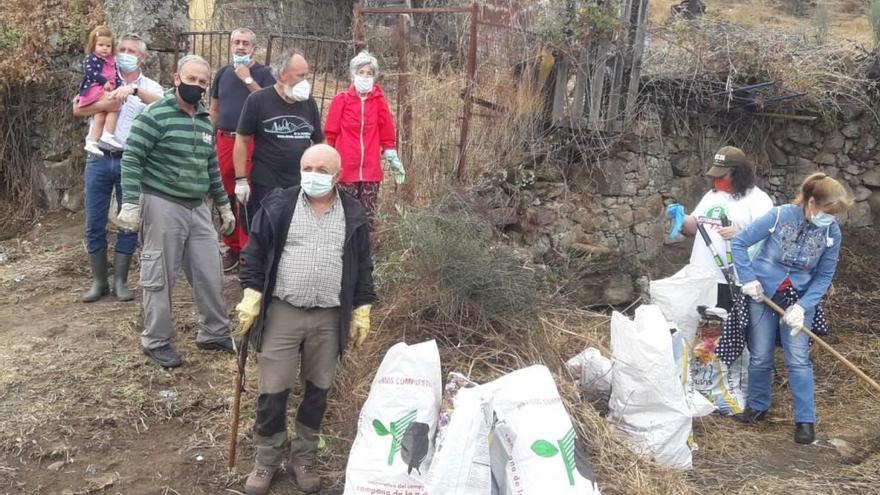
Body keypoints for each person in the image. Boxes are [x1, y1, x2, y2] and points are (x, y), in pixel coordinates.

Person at [233, 144, 376, 494]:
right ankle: (266, 460)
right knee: (272, 390)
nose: (313, 175)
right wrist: (252, 295)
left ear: (338, 176)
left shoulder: (354, 214)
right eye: (308, 167)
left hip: (329, 316)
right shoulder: (278, 206)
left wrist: (361, 308)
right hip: (283, 310)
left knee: (318, 390)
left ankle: (305, 458)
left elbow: (363, 267)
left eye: (322, 170)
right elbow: (255, 253)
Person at [117, 55, 237, 369]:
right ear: (176, 78)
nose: (196, 86)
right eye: (191, 79)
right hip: (162, 203)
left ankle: (214, 331)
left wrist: (223, 206)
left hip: (198, 206)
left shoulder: (203, 119)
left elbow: (211, 166)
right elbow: (132, 159)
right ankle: (156, 340)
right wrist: (130, 203)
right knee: (160, 274)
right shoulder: (155, 115)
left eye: (202, 82)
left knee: (210, 271)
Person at [731, 173, 853, 445]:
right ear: (811, 203)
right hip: (762, 295)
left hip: (799, 299)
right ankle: (757, 407)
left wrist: (803, 306)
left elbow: (824, 276)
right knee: (760, 355)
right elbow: (739, 243)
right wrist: (748, 278)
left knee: (798, 360)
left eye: (834, 216)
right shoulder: (779, 216)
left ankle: (805, 421)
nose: (830, 220)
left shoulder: (832, 232)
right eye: (826, 213)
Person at [73, 33, 164, 303]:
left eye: (131, 51)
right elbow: (78, 109)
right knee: (94, 221)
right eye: (121, 49)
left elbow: (164, 105)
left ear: (143, 57)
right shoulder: (102, 76)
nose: (125, 54)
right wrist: (109, 101)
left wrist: (134, 91)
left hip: (131, 160)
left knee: (129, 220)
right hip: (99, 156)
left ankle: (121, 281)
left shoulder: (151, 86)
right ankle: (99, 281)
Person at [669, 146, 773, 310]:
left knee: (729, 332)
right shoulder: (713, 195)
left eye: (722, 175)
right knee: (705, 330)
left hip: (734, 280)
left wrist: (741, 234)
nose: (717, 180)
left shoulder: (758, 200)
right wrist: (682, 218)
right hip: (702, 277)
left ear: (738, 173)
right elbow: (696, 226)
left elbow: (766, 238)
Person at [233, 50, 324, 229]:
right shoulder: (258, 100)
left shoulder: (308, 103)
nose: (305, 82)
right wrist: (241, 179)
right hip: (267, 184)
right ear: (283, 74)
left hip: (300, 184)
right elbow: (242, 139)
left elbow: (320, 141)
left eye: (307, 76)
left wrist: (323, 172)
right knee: (267, 233)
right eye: (301, 75)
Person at [209, 28, 276, 272]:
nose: (239, 47)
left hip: (250, 141)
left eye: (245, 43)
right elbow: (215, 108)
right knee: (225, 194)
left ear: (253, 48)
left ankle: (249, 249)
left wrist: (247, 78)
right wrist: (210, 134)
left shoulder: (264, 74)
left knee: (246, 194)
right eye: (236, 42)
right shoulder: (223, 73)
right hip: (224, 140)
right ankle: (231, 247)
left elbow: (269, 103)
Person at [324, 50, 405, 231]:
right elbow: (330, 134)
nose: (365, 76)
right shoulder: (341, 100)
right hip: (345, 169)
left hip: (370, 170)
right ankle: (343, 254)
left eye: (369, 73)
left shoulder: (378, 101)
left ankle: (363, 254)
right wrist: (326, 161)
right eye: (361, 72)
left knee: (367, 217)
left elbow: (386, 131)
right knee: (344, 216)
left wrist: (391, 154)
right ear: (353, 74)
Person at [77, 26, 124, 155]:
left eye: (108, 46)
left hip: (108, 89)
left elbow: (115, 75)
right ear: (93, 45)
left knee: (100, 114)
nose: (104, 48)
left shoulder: (112, 61)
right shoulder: (91, 58)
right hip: (95, 89)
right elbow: (90, 73)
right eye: (101, 45)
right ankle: (108, 134)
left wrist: (118, 86)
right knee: (115, 105)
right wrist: (104, 81)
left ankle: (92, 141)